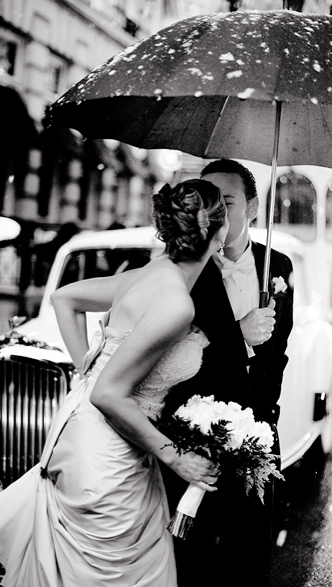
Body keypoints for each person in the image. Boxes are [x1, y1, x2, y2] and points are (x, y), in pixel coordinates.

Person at [0, 179, 226, 587]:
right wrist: (175, 457)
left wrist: (85, 371)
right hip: (108, 459)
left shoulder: (147, 275)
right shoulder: (176, 303)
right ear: (220, 231)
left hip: (84, 438)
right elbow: (109, 393)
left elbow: (64, 299)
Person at [161, 159, 293, 587]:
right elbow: (173, 354)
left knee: (251, 556)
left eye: (227, 202)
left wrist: (263, 420)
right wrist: (239, 335)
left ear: (253, 208)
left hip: (256, 434)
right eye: (207, 202)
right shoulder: (185, 268)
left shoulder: (281, 266)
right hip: (195, 431)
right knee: (190, 555)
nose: (214, 213)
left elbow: (278, 355)